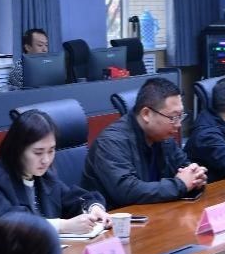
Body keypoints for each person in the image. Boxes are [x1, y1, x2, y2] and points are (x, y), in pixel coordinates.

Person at [0, 109, 110, 233]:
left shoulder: (43, 175)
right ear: (18, 149)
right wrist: (63, 226)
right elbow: (8, 223)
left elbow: (71, 198)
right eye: (38, 152)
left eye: (51, 151)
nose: (46, 160)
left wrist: (93, 208)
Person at [80, 76, 207, 207]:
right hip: (116, 217)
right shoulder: (110, 142)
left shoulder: (163, 137)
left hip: (156, 211)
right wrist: (180, 184)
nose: (179, 124)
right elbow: (127, 191)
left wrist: (196, 177)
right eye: (173, 117)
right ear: (146, 114)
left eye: (181, 116)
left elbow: (184, 166)